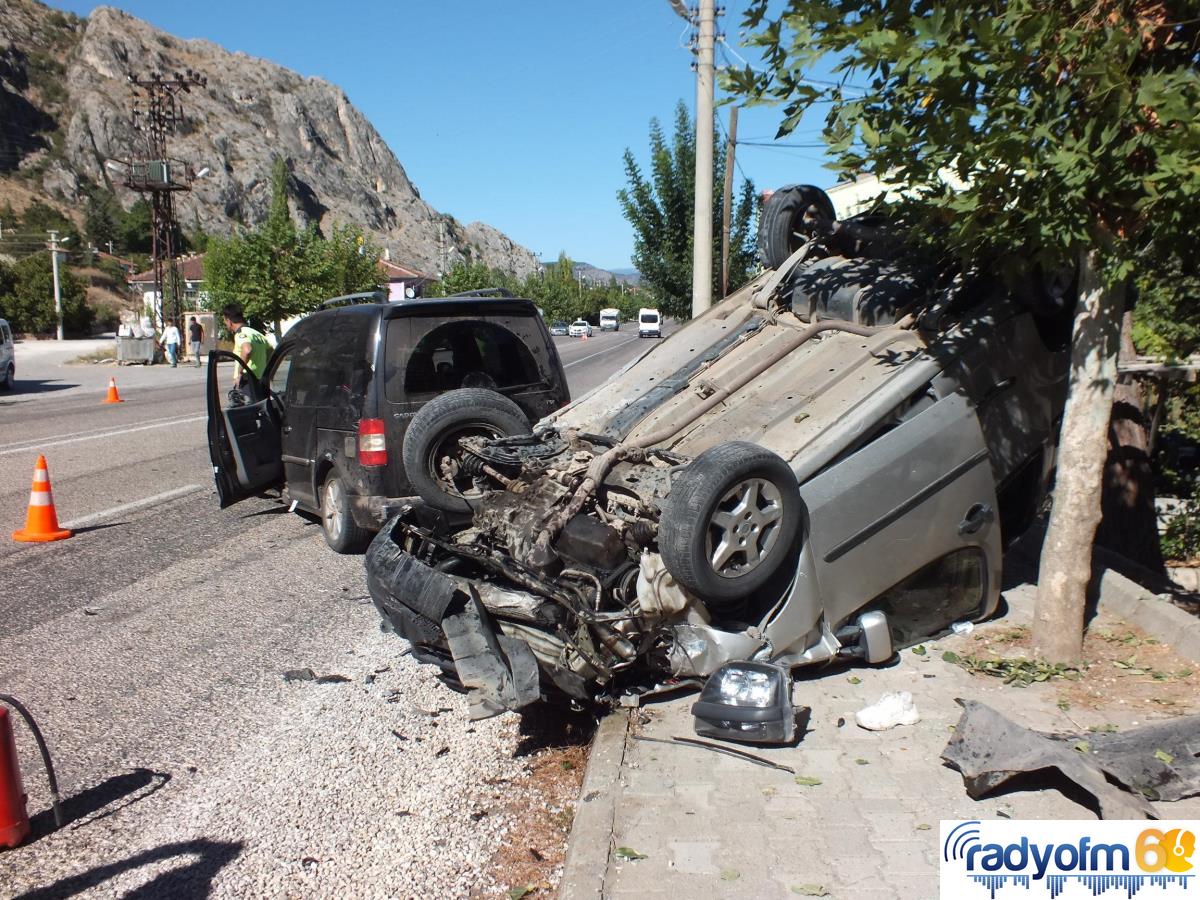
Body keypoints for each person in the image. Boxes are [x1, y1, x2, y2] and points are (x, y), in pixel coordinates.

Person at [222, 303, 270, 388]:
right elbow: (271, 351)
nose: (225, 324)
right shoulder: (257, 334)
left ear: (229, 321)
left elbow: (247, 350)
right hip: (262, 381)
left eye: (225, 321)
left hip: (247, 381)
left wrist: (239, 373)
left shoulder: (241, 334)